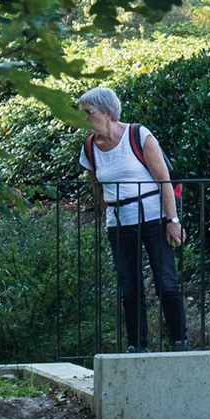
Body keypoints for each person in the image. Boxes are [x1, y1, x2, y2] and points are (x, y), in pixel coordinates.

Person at [78, 87, 188, 350]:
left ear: (107, 113)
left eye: (88, 113)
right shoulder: (89, 148)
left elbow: (164, 180)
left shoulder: (139, 136)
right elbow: (97, 189)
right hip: (119, 224)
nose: (84, 119)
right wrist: (106, 213)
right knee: (129, 288)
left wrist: (173, 221)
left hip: (153, 218)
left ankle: (179, 342)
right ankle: (136, 346)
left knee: (167, 283)